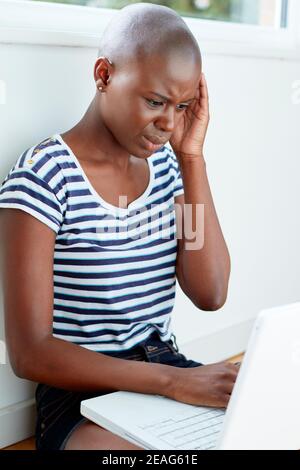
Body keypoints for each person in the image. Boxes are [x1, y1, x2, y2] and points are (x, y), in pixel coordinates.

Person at [0, 3, 239, 450]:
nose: (168, 123)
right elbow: (30, 352)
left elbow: (211, 292)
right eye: (155, 102)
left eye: (182, 106)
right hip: (80, 392)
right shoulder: (44, 177)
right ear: (105, 75)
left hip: (164, 366)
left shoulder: (168, 167)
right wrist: (170, 382)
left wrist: (192, 159)